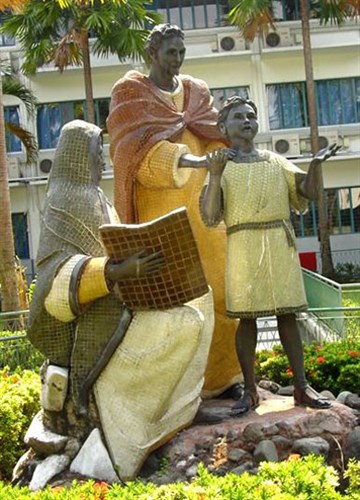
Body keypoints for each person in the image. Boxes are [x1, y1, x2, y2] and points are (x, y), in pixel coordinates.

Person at [27, 119, 214, 480]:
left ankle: (169, 416)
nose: (103, 160)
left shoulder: (96, 196)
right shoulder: (66, 199)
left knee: (201, 300)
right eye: (98, 152)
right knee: (186, 323)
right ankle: (123, 444)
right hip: (93, 324)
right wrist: (115, 272)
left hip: (123, 305)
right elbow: (54, 281)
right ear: (80, 157)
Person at [107, 23, 241, 398]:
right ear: (153, 53)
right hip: (161, 216)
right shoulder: (130, 92)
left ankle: (224, 377)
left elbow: (213, 132)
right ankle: (176, 390)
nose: (177, 60)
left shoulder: (196, 91)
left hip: (206, 211)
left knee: (221, 290)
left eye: (182, 52)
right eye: (171, 53)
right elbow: (132, 153)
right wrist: (191, 162)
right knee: (172, 303)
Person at [200, 96, 339, 415]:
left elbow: (308, 191)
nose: (247, 120)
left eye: (251, 115)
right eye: (239, 117)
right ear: (224, 127)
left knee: (287, 315)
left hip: (279, 244)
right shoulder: (221, 165)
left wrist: (315, 166)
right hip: (243, 246)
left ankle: (302, 387)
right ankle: (250, 391)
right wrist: (217, 175)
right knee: (246, 320)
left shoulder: (275, 161)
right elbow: (209, 216)